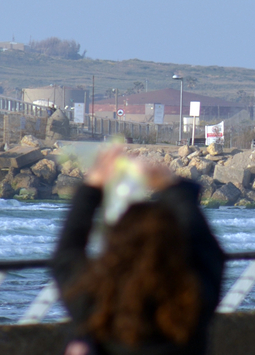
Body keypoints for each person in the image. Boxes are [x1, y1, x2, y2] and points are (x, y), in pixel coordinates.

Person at [52, 148, 225, 355]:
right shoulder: (193, 300)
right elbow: (206, 247)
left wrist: (93, 185)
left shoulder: (93, 302)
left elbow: (67, 252)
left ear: (113, 245)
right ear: (175, 245)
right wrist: (171, 186)